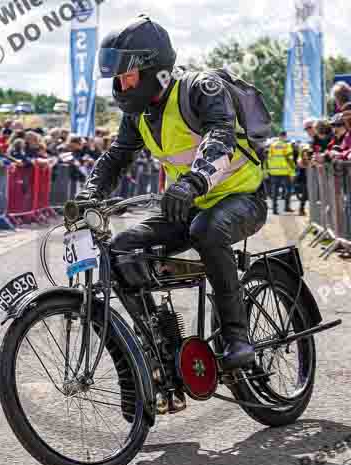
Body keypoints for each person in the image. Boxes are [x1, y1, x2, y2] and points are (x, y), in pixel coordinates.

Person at [75, 15, 268, 372]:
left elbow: (220, 138)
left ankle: (237, 336)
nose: (121, 84)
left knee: (206, 232)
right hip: (187, 204)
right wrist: (89, 193)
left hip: (243, 197)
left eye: (127, 75)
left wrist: (192, 181)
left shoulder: (201, 89)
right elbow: (118, 156)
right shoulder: (139, 113)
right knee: (119, 251)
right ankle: (160, 348)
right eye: (117, 77)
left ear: (153, 69)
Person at [266, 131, 296, 214]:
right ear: (285, 136)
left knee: (275, 191)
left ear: (279, 136)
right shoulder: (286, 145)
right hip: (285, 172)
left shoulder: (272, 145)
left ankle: (275, 210)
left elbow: (269, 158)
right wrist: (292, 172)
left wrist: (270, 170)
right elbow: (290, 160)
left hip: (274, 172)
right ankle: (286, 207)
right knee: (288, 189)